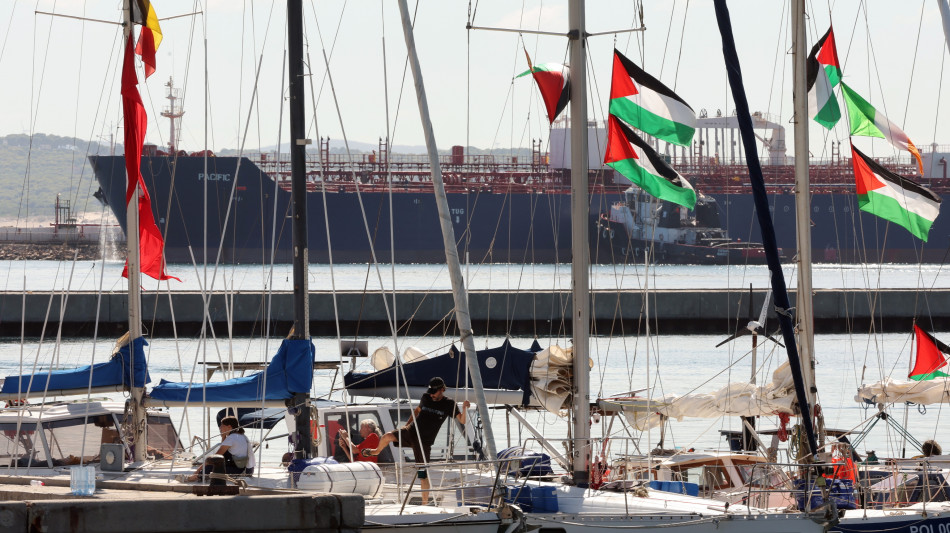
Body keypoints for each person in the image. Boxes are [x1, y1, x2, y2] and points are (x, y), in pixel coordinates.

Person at [362, 377, 469, 504]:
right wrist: (407, 425)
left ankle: (424, 504)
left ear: (442, 390)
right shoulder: (426, 397)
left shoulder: (449, 404)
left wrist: (465, 408)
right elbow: (417, 411)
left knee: (422, 474)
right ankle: (376, 451)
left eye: (434, 392)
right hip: (411, 431)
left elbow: (462, 420)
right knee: (387, 436)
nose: (432, 394)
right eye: (430, 391)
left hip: (423, 442)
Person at [186, 416, 254, 482]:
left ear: (229, 427)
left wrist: (197, 471)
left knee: (210, 466)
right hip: (249, 470)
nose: (220, 427)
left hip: (241, 471)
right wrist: (223, 436)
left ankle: (196, 477)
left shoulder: (231, 438)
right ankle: (200, 476)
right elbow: (223, 452)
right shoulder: (241, 435)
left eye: (222, 425)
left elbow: (215, 458)